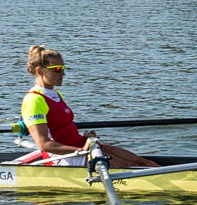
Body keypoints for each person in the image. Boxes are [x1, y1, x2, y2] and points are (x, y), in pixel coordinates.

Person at [18, 44, 146, 168]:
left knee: (140, 161)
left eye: (63, 68)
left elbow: (62, 129)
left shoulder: (55, 94)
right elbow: (44, 144)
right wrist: (80, 149)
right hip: (62, 158)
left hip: (80, 147)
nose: (63, 73)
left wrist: (86, 137)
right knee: (129, 166)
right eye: (57, 69)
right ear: (40, 71)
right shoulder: (34, 100)